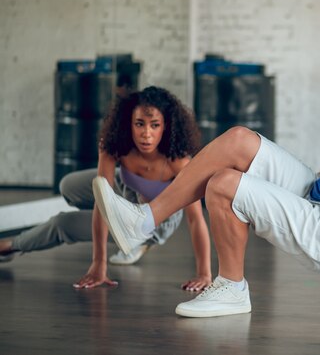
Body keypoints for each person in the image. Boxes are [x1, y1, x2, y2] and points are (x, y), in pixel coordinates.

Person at [92, 32, 320, 329]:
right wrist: (312, 186)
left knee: (224, 184)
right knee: (238, 139)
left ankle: (232, 287)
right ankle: (145, 221)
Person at [0, 86, 214, 290]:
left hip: (154, 220)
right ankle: (125, 236)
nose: (146, 134)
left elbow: (195, 220)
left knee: (63, 223)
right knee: (68, 186)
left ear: (166, 126)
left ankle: (11, 246)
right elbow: (103, 202)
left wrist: (204, 274)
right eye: (139, 124)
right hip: (127, 189)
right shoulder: (115, 145)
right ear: (128, 123)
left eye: (154, 125)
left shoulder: (178, 161)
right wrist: (99, 262)